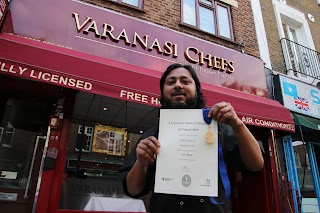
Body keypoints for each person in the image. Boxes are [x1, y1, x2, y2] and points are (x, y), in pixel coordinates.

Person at [119, 63, 264, 213]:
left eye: (185, 81)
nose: (177, 85)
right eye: (171, 82)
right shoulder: (150, 137)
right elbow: (133, 190)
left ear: (197, 90)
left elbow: (256, 165)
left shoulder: (217, 128)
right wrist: (141, 164)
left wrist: (238, 124)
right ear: (162, 92)